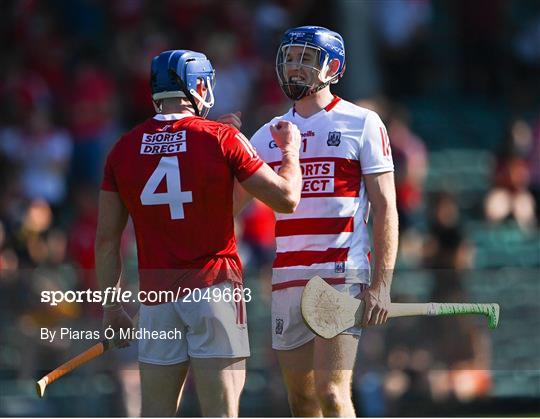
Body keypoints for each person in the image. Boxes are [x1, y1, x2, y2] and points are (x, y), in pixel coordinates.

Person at [95, 49, 302, 417]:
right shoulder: (221, 138)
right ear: (199, 86)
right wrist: (290, 152)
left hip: (156, 300)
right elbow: (286, 199)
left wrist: (112, 308)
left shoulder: (122, 148)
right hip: (214, 291)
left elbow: (107, 241)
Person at [236, 26, 399, 417]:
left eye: (306, 59)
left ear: (334, 67)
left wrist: (382, 284)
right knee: (302, 400)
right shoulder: (264, 135)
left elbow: (385, 207)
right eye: (290, 58)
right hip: (287, 277)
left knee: (331, 392)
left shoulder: (362, 122)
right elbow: (231, 207)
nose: (294, 67)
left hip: (341, 273)